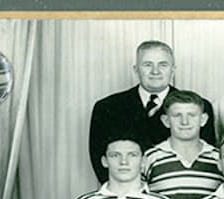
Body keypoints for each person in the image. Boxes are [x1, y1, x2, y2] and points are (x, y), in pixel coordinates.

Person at [89, 41, 215, 182]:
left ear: (173, 70)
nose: (155, 71)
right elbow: (100, 161)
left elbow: (207, 159)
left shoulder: (199, 107)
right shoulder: (107, 107)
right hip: (129, 194)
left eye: (163, 65)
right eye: (148, 65)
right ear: (136, 70)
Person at [142, 90, 224, 199]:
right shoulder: (150, 157)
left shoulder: (218, 158)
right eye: (177, 115)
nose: (184, 122)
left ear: (203, 120)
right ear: (166, 121)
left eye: (191, 115)